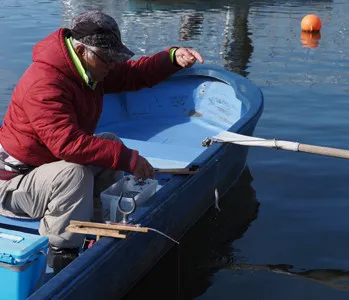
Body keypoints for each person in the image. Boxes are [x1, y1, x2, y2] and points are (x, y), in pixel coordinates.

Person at [0, 10, 203, 273]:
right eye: (107, 57)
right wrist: (130, 158)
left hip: (43, 170)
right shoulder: (45, 84)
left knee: (108, 141)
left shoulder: (90, 70)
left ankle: (102, 222)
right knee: (73, 173)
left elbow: (134, 75)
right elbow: (67, 145)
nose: (111, 64)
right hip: (11, 187)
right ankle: (62, 252)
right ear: (83, 50)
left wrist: (172, 58)